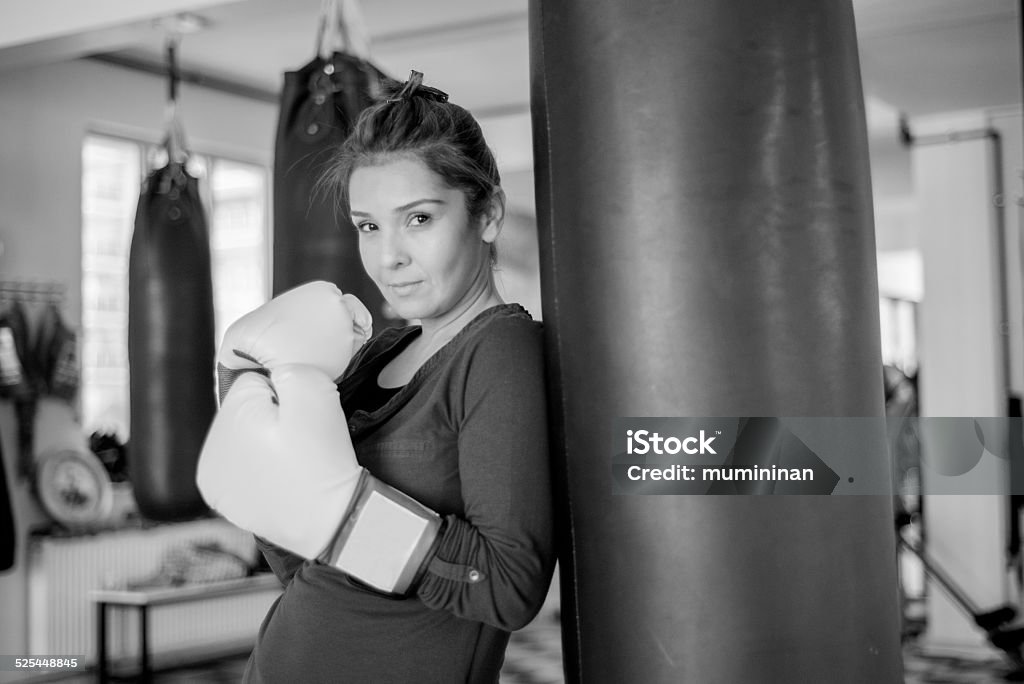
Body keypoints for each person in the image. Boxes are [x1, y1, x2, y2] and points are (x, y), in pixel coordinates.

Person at [196, 71, 555, 683]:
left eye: (418, 219)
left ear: (487, 213)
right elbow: (313, 557)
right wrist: (243, 399)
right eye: (369, 225)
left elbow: (507, 585)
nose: (388, 256)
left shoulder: (500, 350)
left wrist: (350, 517)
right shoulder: (381, 352)